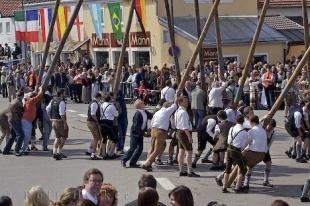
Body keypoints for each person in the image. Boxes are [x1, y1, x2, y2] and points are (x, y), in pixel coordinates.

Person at [142, 97, 177, 172]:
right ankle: (147, 163)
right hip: (160, 132)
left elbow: (151, 123)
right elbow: (175, 105)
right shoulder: (167, 111)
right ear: (167, 107)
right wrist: (177, 95)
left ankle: (149, 164)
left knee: (152, 148)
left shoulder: (157, 112)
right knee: (157, 150)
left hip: (153, 130)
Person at [220, 114, 248, 193]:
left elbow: (229, 140)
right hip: (236, 151)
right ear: (243, 121)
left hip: (229, 148)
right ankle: (237, 187)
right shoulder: (244, 132)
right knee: (243, 169)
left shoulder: (232, 128)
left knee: (228, 169)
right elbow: (243, 145)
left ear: (236, 120)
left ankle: (224, 187)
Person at [122, 99, 152, 168]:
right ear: (139, 105)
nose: (144, 103)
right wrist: (142, 133)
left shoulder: (144, 111)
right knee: (133, 148)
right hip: (135, 133)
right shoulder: (138, 113)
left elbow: (151, 116)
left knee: (140, 149)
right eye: (142, 103)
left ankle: (132, 163)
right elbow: (136, 126)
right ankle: (124, 160)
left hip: (140, 133)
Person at [175, 96, 199, 177]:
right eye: (185, 101)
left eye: (187, 101)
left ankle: (181, 170)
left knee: (181, 151)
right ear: (180, 102)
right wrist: (189, 137)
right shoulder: (183, 112)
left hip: (179, 131)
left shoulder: (178, 111)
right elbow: (185, 127)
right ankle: (190, 171)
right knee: (189, 151)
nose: (187, 102)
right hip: (184, 133)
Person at [242, 115, 268, 191]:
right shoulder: (263, 130)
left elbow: (246, 143)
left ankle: (238, 181)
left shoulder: (251, 131)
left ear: (251, 122)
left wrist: (242, 150)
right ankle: (246, 183)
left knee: (238, 161)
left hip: (253, 153)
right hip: (262, 155)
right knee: (250, 166)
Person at [46, 89, 69, 160]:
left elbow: (47, 109)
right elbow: (62, 113)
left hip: (54, 121)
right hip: (60, 122)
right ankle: (59, 152)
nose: (65, 94)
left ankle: (54, 152)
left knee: (57, 137)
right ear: (61, 94)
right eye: (64, 93)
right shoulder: (61, 102)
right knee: (63, 137)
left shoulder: (52, 100)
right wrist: (65, 123)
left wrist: (50, 118)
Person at [20, 89, 43, 155]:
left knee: (28, 135)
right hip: (26, 121)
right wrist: (41, 90)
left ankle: (25, 148)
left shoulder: (29, 101)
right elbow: (39, 96)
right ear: (33, 97)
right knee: (26, 136)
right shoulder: (31, 100)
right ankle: (23, 149)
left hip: (28, 121)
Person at [3, 90, 24, 155]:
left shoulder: (13, 100)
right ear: (22, 96)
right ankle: (16, 150)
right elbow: (22, 111)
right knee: (21, 135)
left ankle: (6, 150)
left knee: (13, 135)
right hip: (15, 120)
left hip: (11, 119)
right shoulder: (19, 102)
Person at [100, 93, 119, 159]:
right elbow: (116, 114)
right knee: (114, 139)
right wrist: (116, 110)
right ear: (110, 99)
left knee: (104, 139)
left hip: (102, 122)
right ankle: (110, 154)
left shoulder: (102, 105)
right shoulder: (111, 106)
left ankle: (103, 154)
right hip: (108, 123)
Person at [86, 92, 103, 160]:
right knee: (97, 138)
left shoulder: (93, 102)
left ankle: (89, 150)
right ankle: (93, 154)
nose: (101, 99)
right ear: (99, 97)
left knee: (95, 137)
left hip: (91, 122)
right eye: (101, 97)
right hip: (92, 122)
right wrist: (97, 121)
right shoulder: (94, 103)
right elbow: (93, 114)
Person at [263, 118, 277, 187]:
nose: (269, 129)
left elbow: (269, 145)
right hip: (256, 149)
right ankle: (245, 182)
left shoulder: (273, 133)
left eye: (271, 128)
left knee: (268, 163)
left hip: (265, 150)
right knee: (251, 166)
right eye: (269, 126)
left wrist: (265, 152)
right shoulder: (262, 129)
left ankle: (266, 180)